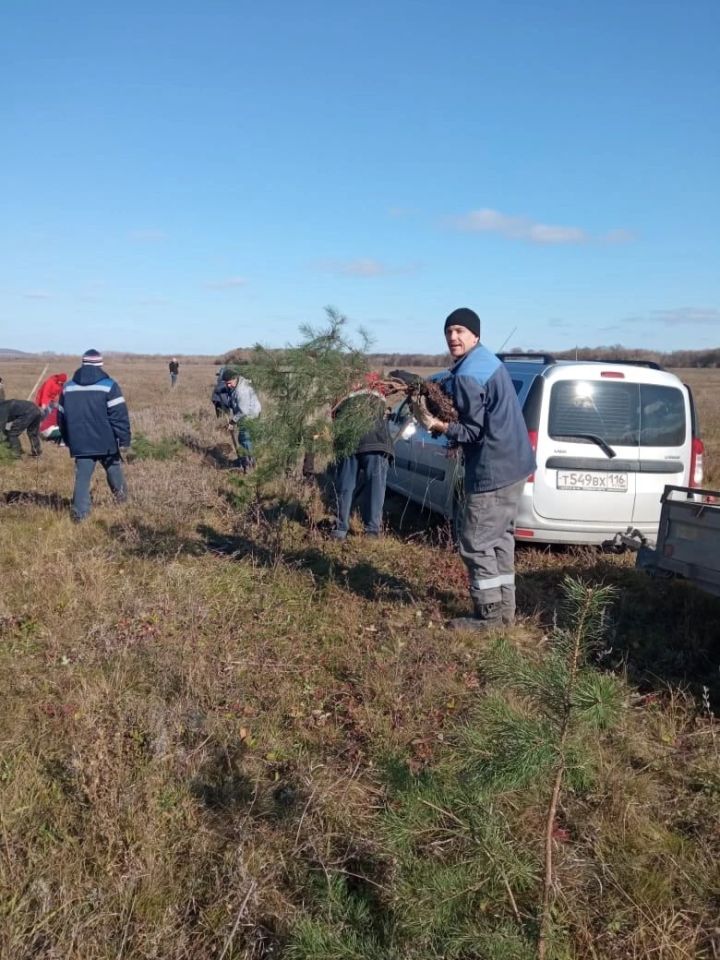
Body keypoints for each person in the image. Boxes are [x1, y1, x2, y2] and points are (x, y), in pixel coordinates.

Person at [411, 308, 535, 630]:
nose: (453, 337)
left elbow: (473, 432)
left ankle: (490, 617)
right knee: (499, 539)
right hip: (516, 464)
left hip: (494, 468)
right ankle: (506, 612)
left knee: (476, 541)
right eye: (448, 331)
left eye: (460, 331)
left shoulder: (468, 375)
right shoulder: (487, 362)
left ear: (475, 335)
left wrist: (438, 424)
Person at [58, 349, 131, 521]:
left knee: (82, 478)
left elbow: (61, 417)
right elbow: (119, 417)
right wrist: (124, 440)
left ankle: (79, 515)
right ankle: (123, 503)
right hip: (107, 442)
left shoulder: (68, 387)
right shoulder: (109, 385)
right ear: (100, 364)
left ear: (82, 363)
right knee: (114, 470)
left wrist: (67, 439)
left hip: (80, 442)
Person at [330, 373, 393, 540]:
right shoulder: (379, 387)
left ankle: (340, 529)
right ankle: (372, 531)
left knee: (345, 486)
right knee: (376, 488)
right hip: (376, 443)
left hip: (349, 443)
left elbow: (335, 420)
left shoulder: (341, 392)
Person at [219, 367, 261, 470]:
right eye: (226, 383)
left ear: (235, 378)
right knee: (246, 439)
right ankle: (249, 461)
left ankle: (249, 464)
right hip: (247, 414)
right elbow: (234, 401)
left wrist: (232, 422)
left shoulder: (242, 391)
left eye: (229, 383)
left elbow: (243, 411)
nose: (228, 385)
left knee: (244, 439)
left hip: (250, 415)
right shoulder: (236, 384)